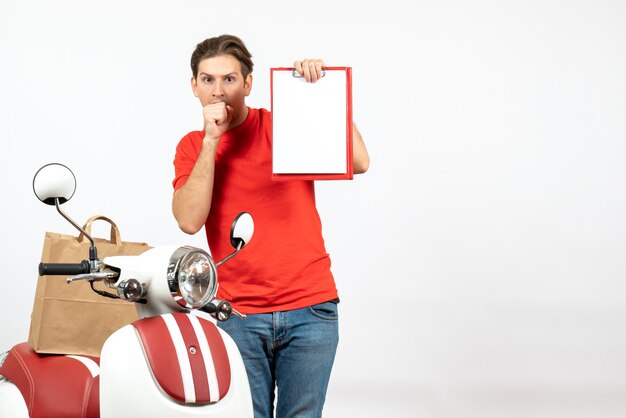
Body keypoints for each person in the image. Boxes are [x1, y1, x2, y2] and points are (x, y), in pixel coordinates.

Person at [171, 34, 369, 418]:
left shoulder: (285, 127)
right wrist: (212, 140)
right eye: (208, 80)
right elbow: (188, 220)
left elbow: (359, 161)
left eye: (229, 79)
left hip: (309, 309)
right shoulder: (192, 146)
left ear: (247, 83)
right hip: (237, 315)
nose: (219, 91)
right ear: (193, 86)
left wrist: (323, 94)